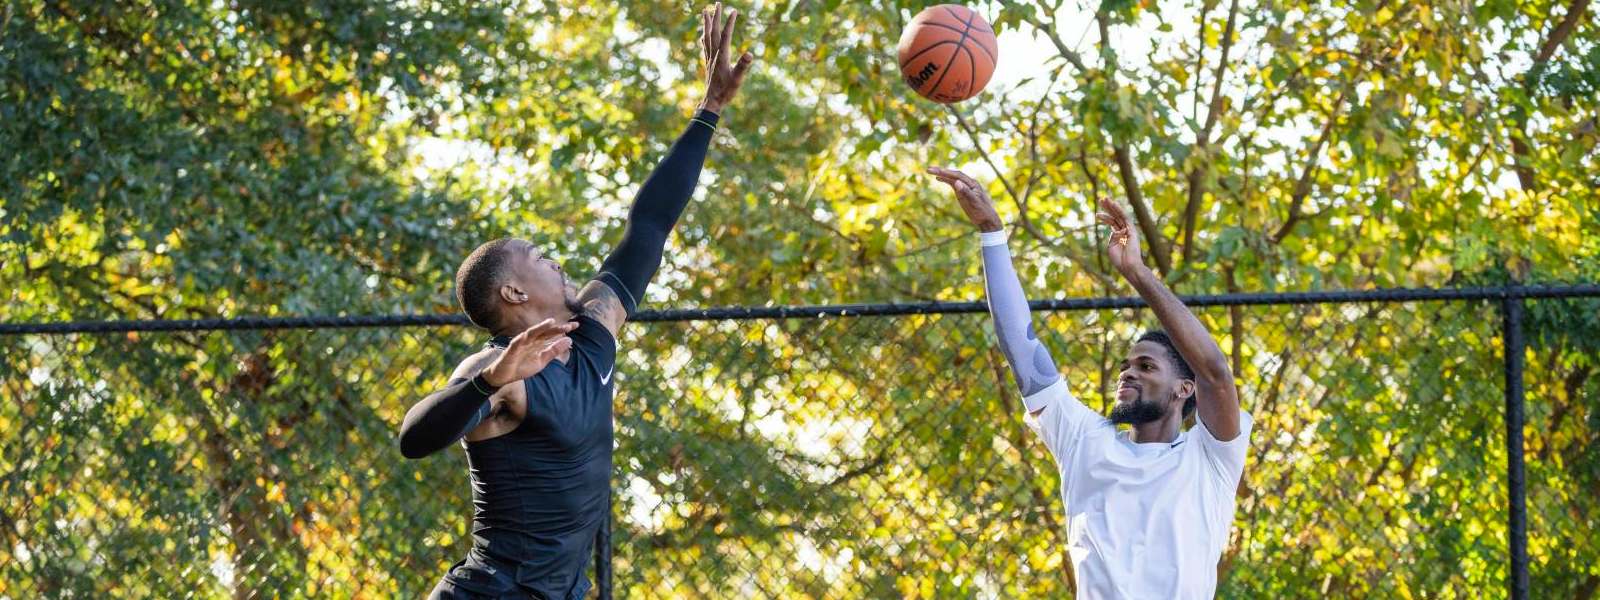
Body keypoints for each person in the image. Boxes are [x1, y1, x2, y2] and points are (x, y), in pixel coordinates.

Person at [398, 5, 754, 598]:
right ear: (513, 292)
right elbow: (414, 440)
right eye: (539, 257)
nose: (557, 262)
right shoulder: (499, 375)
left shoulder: (594, 328)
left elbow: (651, 224)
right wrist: (487, 382)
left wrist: (710, 109)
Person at [929, 166, 1252, 599]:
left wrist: (1136, 272)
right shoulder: (1085, 441)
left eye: (1146, 366)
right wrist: (991, 232)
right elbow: (1023, 350)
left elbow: (1215, 372)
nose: (1128, 372)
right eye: (1125, 366)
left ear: (1184, 388)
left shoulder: (1210, 459)